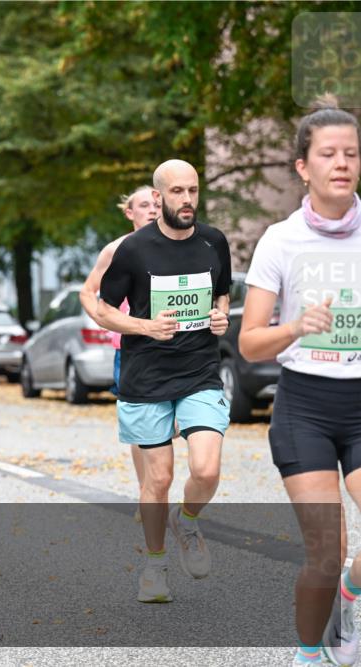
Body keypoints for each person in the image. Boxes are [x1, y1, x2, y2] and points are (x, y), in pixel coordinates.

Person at [238, 98, 361, 667]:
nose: (342, 163)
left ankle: (351, 599)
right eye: (329, 154)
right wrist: (296, 326)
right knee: (326, 549)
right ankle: (310, 655)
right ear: (303, 167)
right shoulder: (280, 241)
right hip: (305, 408)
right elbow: (249, 343)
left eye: (351, 153)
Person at [95, 159, 232, 604]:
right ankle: (155, 567)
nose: (187, 200)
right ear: (158, 197)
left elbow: (222, 293)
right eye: (177, 192)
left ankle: (187, 520)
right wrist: (145, 327)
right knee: (158, 479)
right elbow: (103, 309)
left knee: (206, 470)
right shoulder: (133, 249)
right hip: (146, 377)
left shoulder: (214, 241)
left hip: (199, 373)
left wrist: (221, 316)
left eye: (193, 190)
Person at [79, 186, 161, 511]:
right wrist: (104, 318)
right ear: (130, 212)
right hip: (131, 349)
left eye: (157, 204)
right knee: (142, 426)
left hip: (177, 347)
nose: (153, 210)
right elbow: (88, 291)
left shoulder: (180, 245)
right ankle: (147, 493)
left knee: (174, 423)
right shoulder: (116, 250)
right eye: (144, 205)